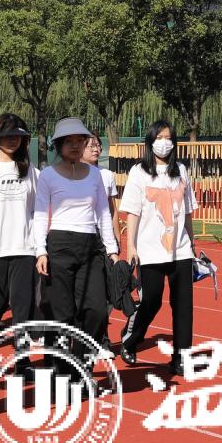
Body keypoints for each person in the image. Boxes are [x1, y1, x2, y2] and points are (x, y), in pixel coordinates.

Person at [33, 117, 120, 382]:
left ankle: (82, 365)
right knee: (62, 314)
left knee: (96, 310)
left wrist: (112, 249)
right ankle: (60, 372)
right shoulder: (47, 175)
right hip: (58, 246)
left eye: (79, 141)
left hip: (91, 246)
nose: (74, 146)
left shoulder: (95, 175)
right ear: (58, 145)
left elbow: (103, 212)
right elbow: (40, 214)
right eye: (68, 142)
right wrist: (40, 250)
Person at [118, 120, 196, 374]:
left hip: (180, 249)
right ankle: (131, 339)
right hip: (150, 249)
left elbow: (188, 211)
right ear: (150, 142)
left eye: (169, 138)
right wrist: (131, 246)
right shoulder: (139, 172)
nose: (164, 142)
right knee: (151, 300)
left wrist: (192, 242)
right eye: (159, 137)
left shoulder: (181, 170)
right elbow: (133, 212)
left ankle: (181, 356)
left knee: (183, 305)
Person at [0, 113, 38, 353]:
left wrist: (38, 245)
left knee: (22, 308)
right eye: (8, 135)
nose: (13, 140)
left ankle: (22, 359)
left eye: (18, 136)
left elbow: (35, 210)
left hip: (24, 248)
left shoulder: (30, 171)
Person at [83, 131, 119, 352]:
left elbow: (111, 210)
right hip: (84, 236)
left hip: (104, 238)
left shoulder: (107, 175)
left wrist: (116, 237)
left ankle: (102, 339)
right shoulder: (73, 174)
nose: (96, 149)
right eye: (91, 145)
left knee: (107, 291)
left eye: (98, 145)